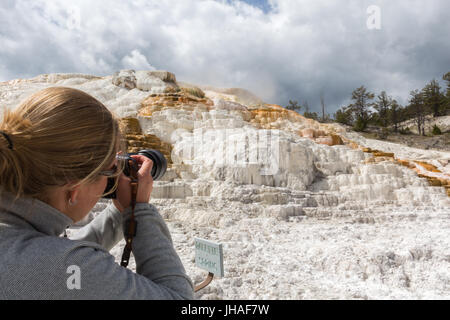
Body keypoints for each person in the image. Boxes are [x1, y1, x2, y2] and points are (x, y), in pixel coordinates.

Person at [0, 87, 194, 299]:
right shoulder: (64, 266)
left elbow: (47, 258)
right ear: (75, 189)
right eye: (111, 170)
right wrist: (139, 210)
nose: (113, 179)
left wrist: (118, 211)